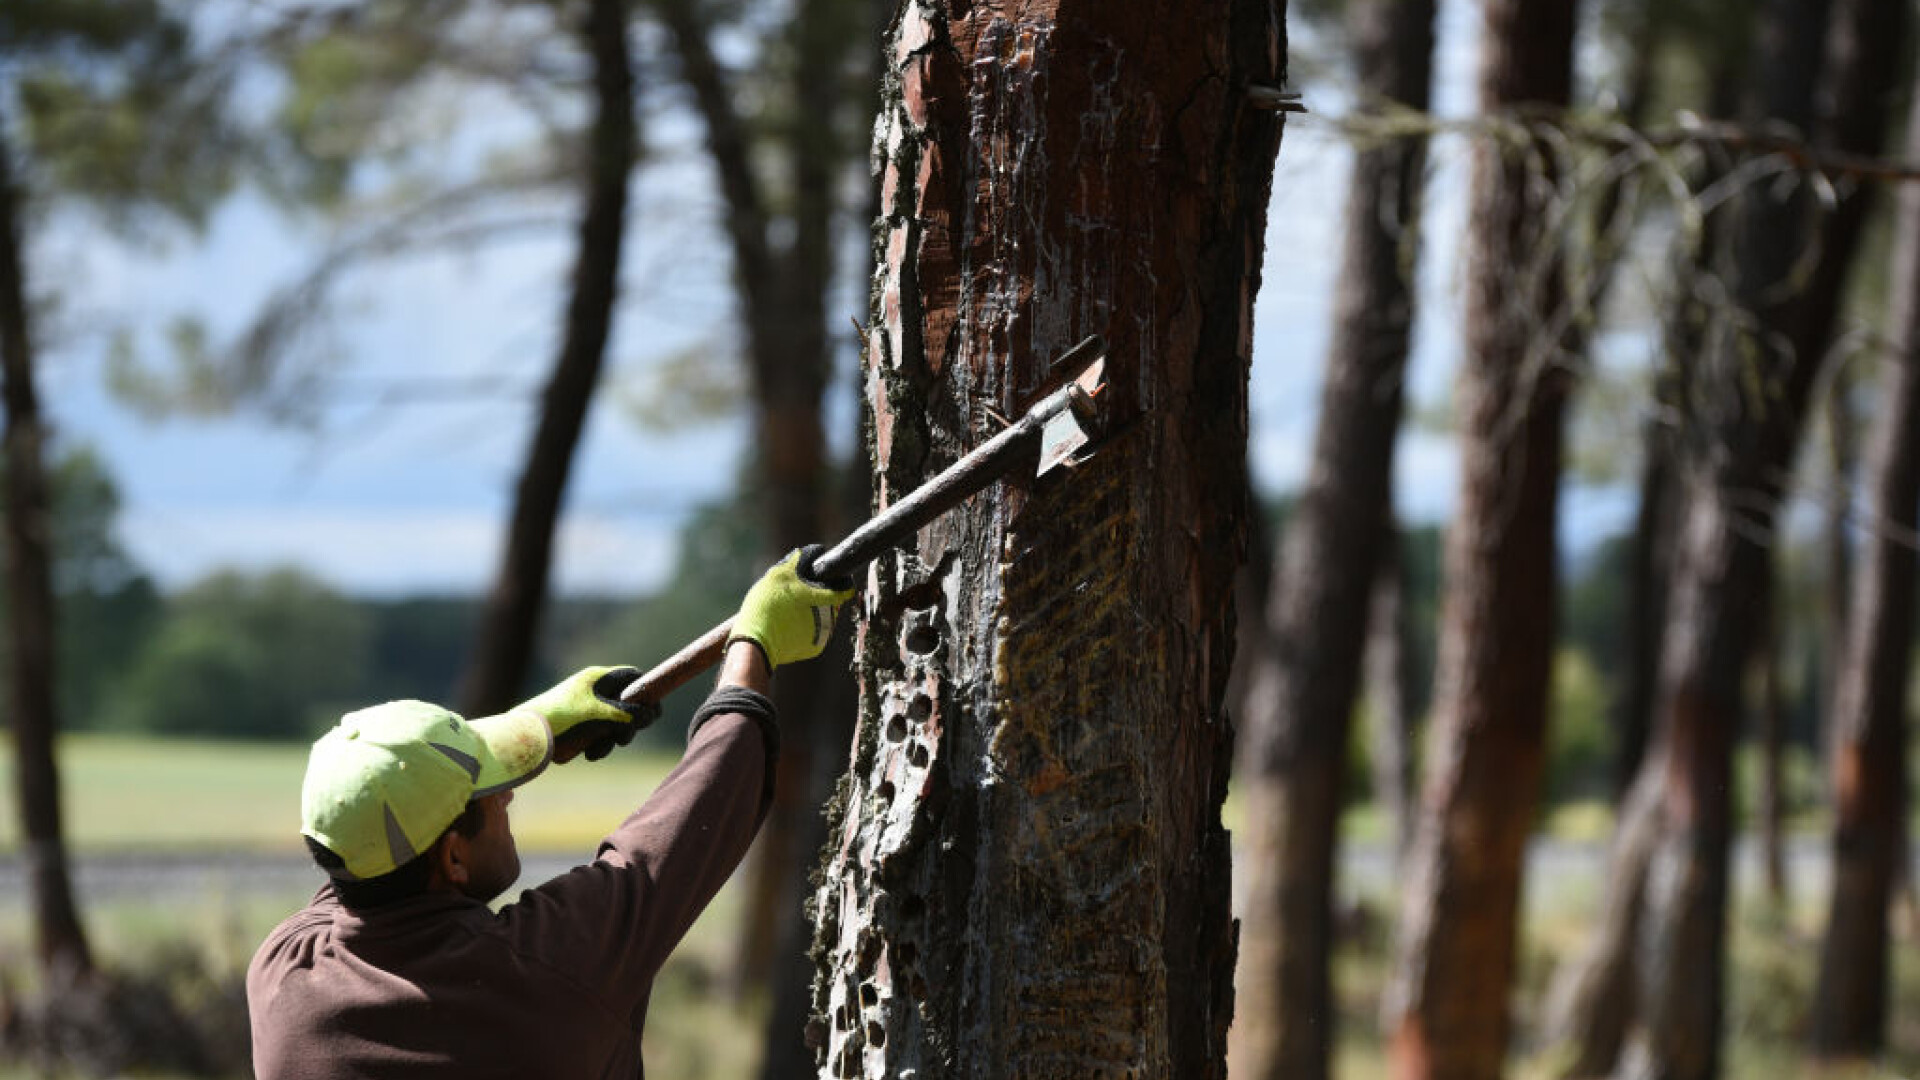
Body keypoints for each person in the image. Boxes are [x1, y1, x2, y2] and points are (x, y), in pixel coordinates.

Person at [246, 549, 853, 1080]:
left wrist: (536, 729)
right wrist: (757, 643)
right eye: (491, 793)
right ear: (452, 857)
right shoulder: (541, 973)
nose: (508, 795)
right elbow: (705, 804)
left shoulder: (283, 974)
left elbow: (361, 842)